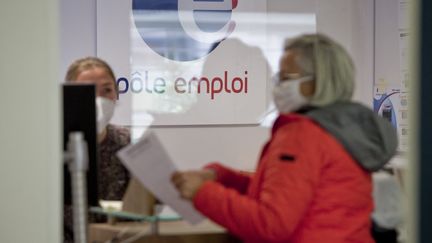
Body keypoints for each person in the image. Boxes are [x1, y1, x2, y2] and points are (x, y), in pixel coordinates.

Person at [172, 33, 398, 243]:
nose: (277, 85)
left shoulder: (303, 134)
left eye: (286, 77)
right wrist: (222, 178)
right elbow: (289, 191)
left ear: (317, 83)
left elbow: (272, 223)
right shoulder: (343, 130)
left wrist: (203, 193)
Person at [62, 57, 134, 242]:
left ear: (117, 93)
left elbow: (145, 204)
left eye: (107, 90)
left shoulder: (127, 141)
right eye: (89, 91)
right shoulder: (54, 147)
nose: (99, 100)